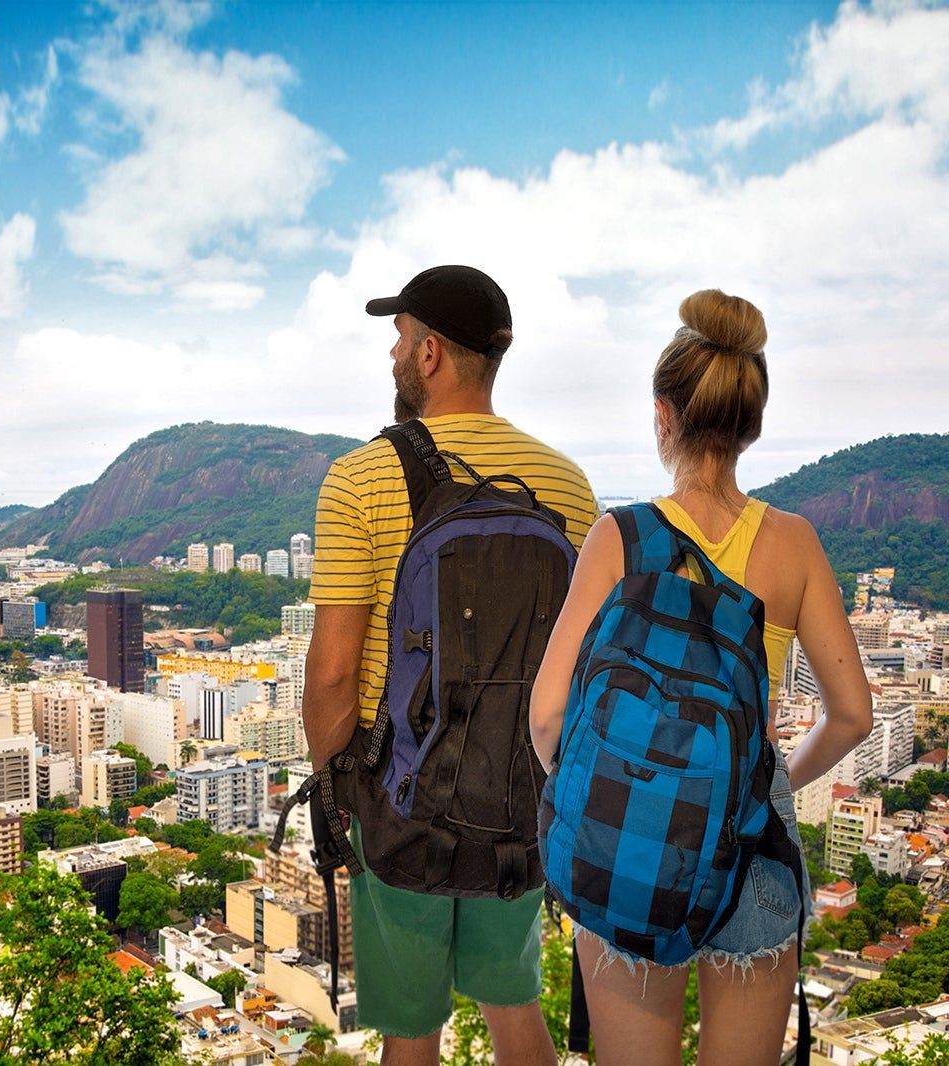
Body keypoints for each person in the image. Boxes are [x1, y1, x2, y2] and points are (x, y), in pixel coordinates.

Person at [528, 290, 874, 1066]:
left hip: (629, 828)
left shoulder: (618, 537)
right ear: (750, 426)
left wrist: (609, 787)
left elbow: (546, 717)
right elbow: (852, 714)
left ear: (663, 414)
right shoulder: (796, 544)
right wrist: (771, 776)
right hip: (753, 833)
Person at [304, 265, 599, 1066]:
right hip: (519, 792)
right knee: (515, 1008)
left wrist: (334, 792)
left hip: (398, 794)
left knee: (411, 1032)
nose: (393, 355)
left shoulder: (362, 477)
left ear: (430, 353)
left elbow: (332, 673)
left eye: (399, 337)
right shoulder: (568, 486)